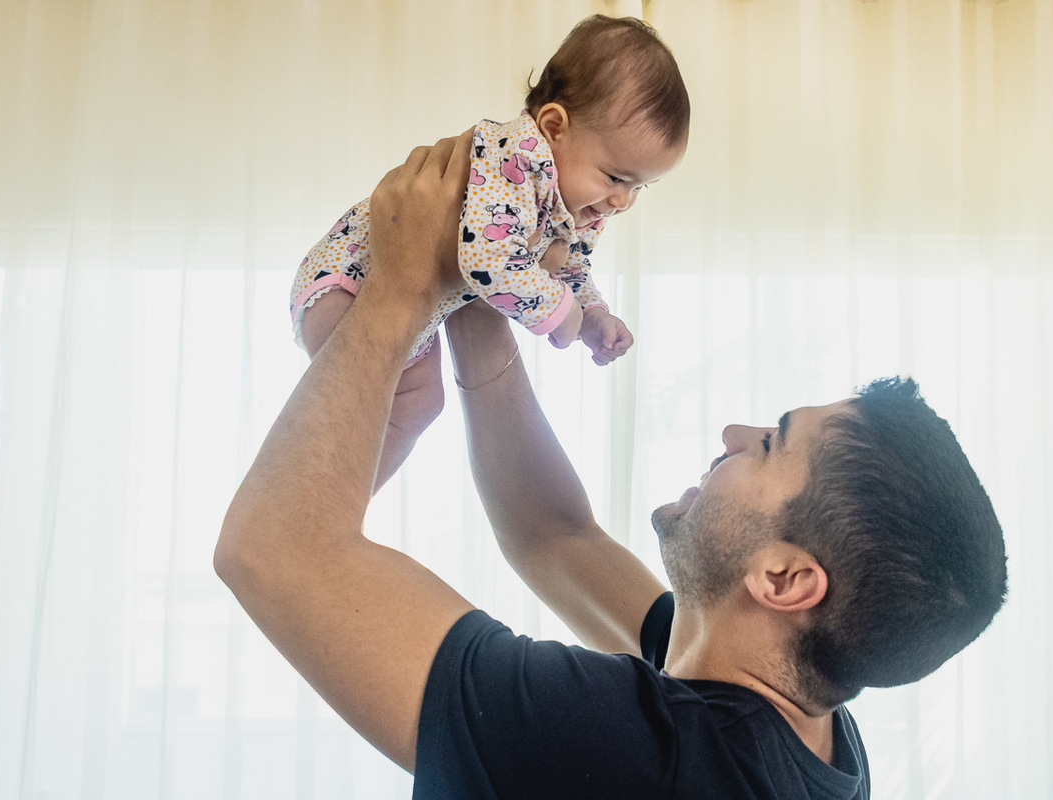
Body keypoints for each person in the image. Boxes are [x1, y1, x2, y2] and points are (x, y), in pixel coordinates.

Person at [215, 132, 1008, 798]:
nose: (735, 431)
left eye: (771, 444)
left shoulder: (629, 748)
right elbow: (553, 536)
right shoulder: (804, 733)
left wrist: (398, 288)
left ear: (786, 580)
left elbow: (274, 551)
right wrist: (472, 283)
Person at [287, 15, 689, 490]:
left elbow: (570, 267)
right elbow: (486, 260)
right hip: (349, 283)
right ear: (554, 127)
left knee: (419, 407)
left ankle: (336, 506)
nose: (622, 201)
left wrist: (593, 314)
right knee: (350, 411)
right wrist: (561, 317)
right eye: (616, 177)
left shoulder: (576, 205)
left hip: (409, 311)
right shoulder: (512, 156)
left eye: (640, 187)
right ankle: (308, 501)